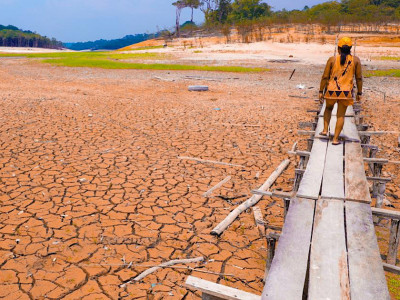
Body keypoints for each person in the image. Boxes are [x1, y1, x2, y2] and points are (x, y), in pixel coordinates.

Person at [319, 37, 363, 145]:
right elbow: (359, 78)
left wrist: (320, 91)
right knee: (340, 116)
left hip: (331, 91)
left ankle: (325, 130)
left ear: (339, 48)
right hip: (346, 92)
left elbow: (325, 76)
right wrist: (359, 93)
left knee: (328, 109)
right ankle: (335, 139)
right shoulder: (355, 60)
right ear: (350, 48)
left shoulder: (332, 59)